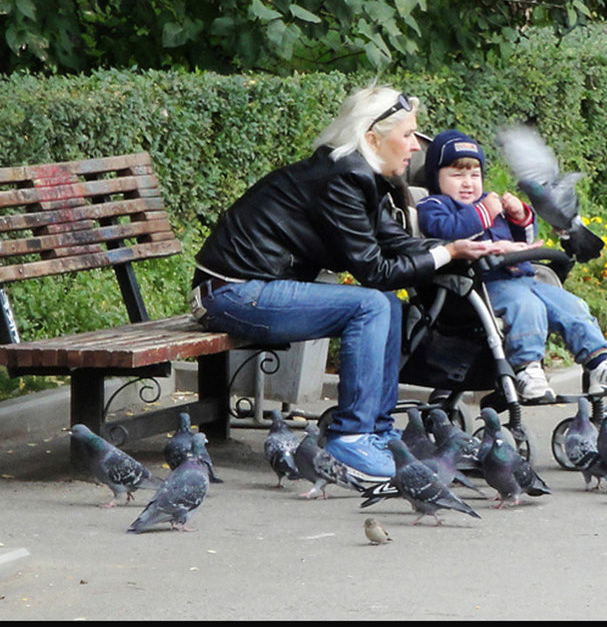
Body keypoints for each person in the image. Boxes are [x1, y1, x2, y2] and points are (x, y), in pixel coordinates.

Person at [188, 86, 502, 481]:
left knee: (385, 305)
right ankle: (352, 437)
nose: (414, 146)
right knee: (370, 303)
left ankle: (379, 433)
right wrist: (449, 254)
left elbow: (397, 243)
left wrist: (466, 246)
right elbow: (376, 271)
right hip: (230, 294)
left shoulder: (359, 175)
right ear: (372, 137)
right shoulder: (341, 179)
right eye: (407, 135)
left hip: (252, 290)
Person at [415, 129, 607, 402]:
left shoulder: (489, 202)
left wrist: (520, 216)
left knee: (570, 304)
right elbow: (447, 230)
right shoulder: (434, 205)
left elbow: (523, 240)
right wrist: (485, 212)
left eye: (474, 175)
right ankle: (527, 368)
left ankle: (599, 361)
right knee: (526, 306)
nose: (468, 183)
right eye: (457, 175)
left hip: (521, 278)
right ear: (435, 177)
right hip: (480, 286)